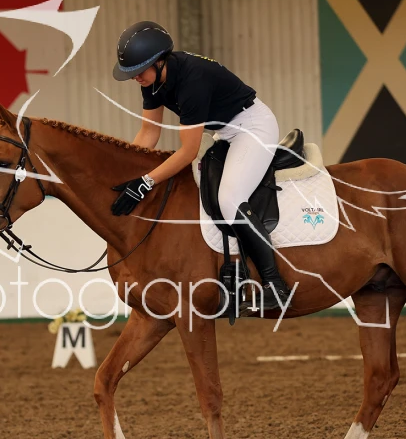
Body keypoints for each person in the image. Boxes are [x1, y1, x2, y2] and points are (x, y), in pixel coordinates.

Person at [109, 20, 291, 310]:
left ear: (159, 61)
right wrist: (127, 173)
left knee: (230, 199)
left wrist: (146, 181)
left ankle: (275, 285)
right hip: (225, 132)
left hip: (252, 127)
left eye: (138, 71)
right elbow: (149, 133)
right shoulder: (153, 82)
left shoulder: (192, 79)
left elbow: (188, 151)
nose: (135, 78)